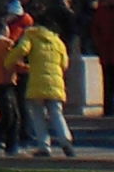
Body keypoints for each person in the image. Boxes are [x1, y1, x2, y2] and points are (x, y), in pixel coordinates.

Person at [18, 10, 76, 155]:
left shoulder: (30, 35)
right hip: (55, 83)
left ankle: (44, 146)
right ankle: (66, 142)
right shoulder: (58, 41)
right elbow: (65, 63)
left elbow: (22, 49)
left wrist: (9, 62)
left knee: (38, 115)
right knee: (56, 113)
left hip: (36, 82)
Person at [0, 3, 29, 156]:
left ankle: (11, 146)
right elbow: (11, 62)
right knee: (10, 117)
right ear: (4, 30)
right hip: (5, 83)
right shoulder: (4, 44)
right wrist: (29, 68)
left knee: (12, 117)